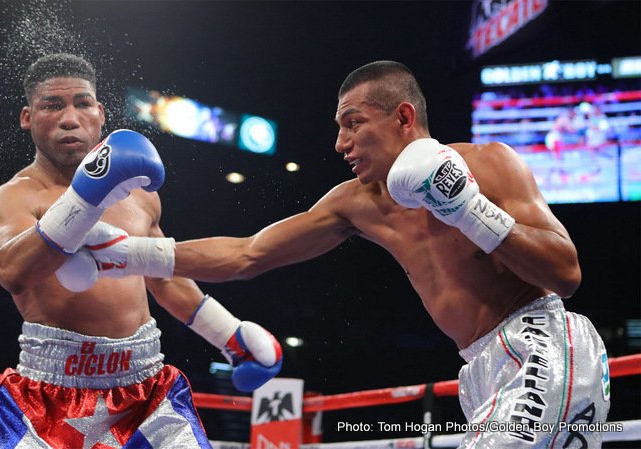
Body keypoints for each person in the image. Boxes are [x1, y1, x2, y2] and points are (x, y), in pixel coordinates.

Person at [66, 61, 611, 448]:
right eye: (338, 128)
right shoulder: (356, 204)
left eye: (354, 123)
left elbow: (565, 274)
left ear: (403, 118)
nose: (339, 143)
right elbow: (248, 254)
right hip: (480, 367)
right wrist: (125, 253)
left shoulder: (491, 164)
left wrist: (468, 207)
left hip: (542, 343)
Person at [0, 53, 282, 449]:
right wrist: (85, 198)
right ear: (27, 117)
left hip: (146, 392)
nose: (70, 118)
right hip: (47, 400)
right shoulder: (14, 197)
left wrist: (229, 335)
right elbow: (12, 271)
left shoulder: (138, 193)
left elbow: (163, 277)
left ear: (101, 112)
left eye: (82, 103)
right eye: (52, 105)